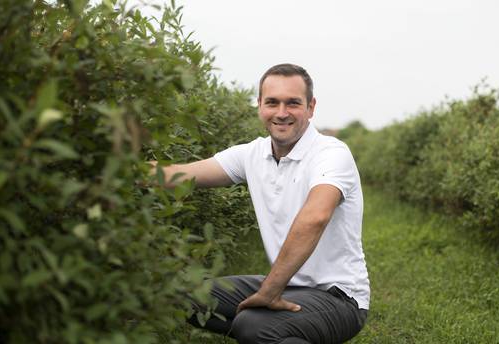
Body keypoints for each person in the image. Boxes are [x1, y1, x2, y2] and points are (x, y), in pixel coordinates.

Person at [154, 64, 370, 343]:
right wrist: (117, 169)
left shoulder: (331, 154)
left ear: (311, 107)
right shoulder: (252, 154)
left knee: (255, 326)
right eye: (272, 102)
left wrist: (270, 289)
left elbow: (315, 217)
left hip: (339, 298)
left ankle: (275, 327)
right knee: (185, 297)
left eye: (293, 103)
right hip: (292, 285)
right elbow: (179, 174)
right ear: (260, 105)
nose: (281, 113)